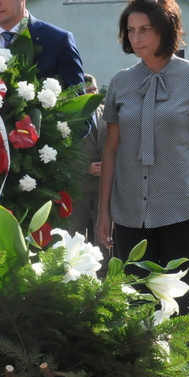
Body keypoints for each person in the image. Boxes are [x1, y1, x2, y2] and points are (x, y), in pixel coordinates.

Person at [96, 0, 189, 317]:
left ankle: (183, 368)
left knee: (178, 299)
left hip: (183, 206)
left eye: (145, 29)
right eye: (131, 30)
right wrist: (104, 210)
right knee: (137, 300)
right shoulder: (120, 83)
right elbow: (110, 152)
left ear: (166, 29)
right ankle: (144, 368)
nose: (136, 38)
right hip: (128, 210)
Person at [69, 74, 108, 255]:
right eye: (87, 91)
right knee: (75, 234)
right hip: (79, 186)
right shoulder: (69, 116)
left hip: (105, 184)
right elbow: (64, 153)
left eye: (94, 90)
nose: (92, 94)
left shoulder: (107, 113)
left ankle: (105, 271)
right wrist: (86, 168)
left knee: (105, 232)